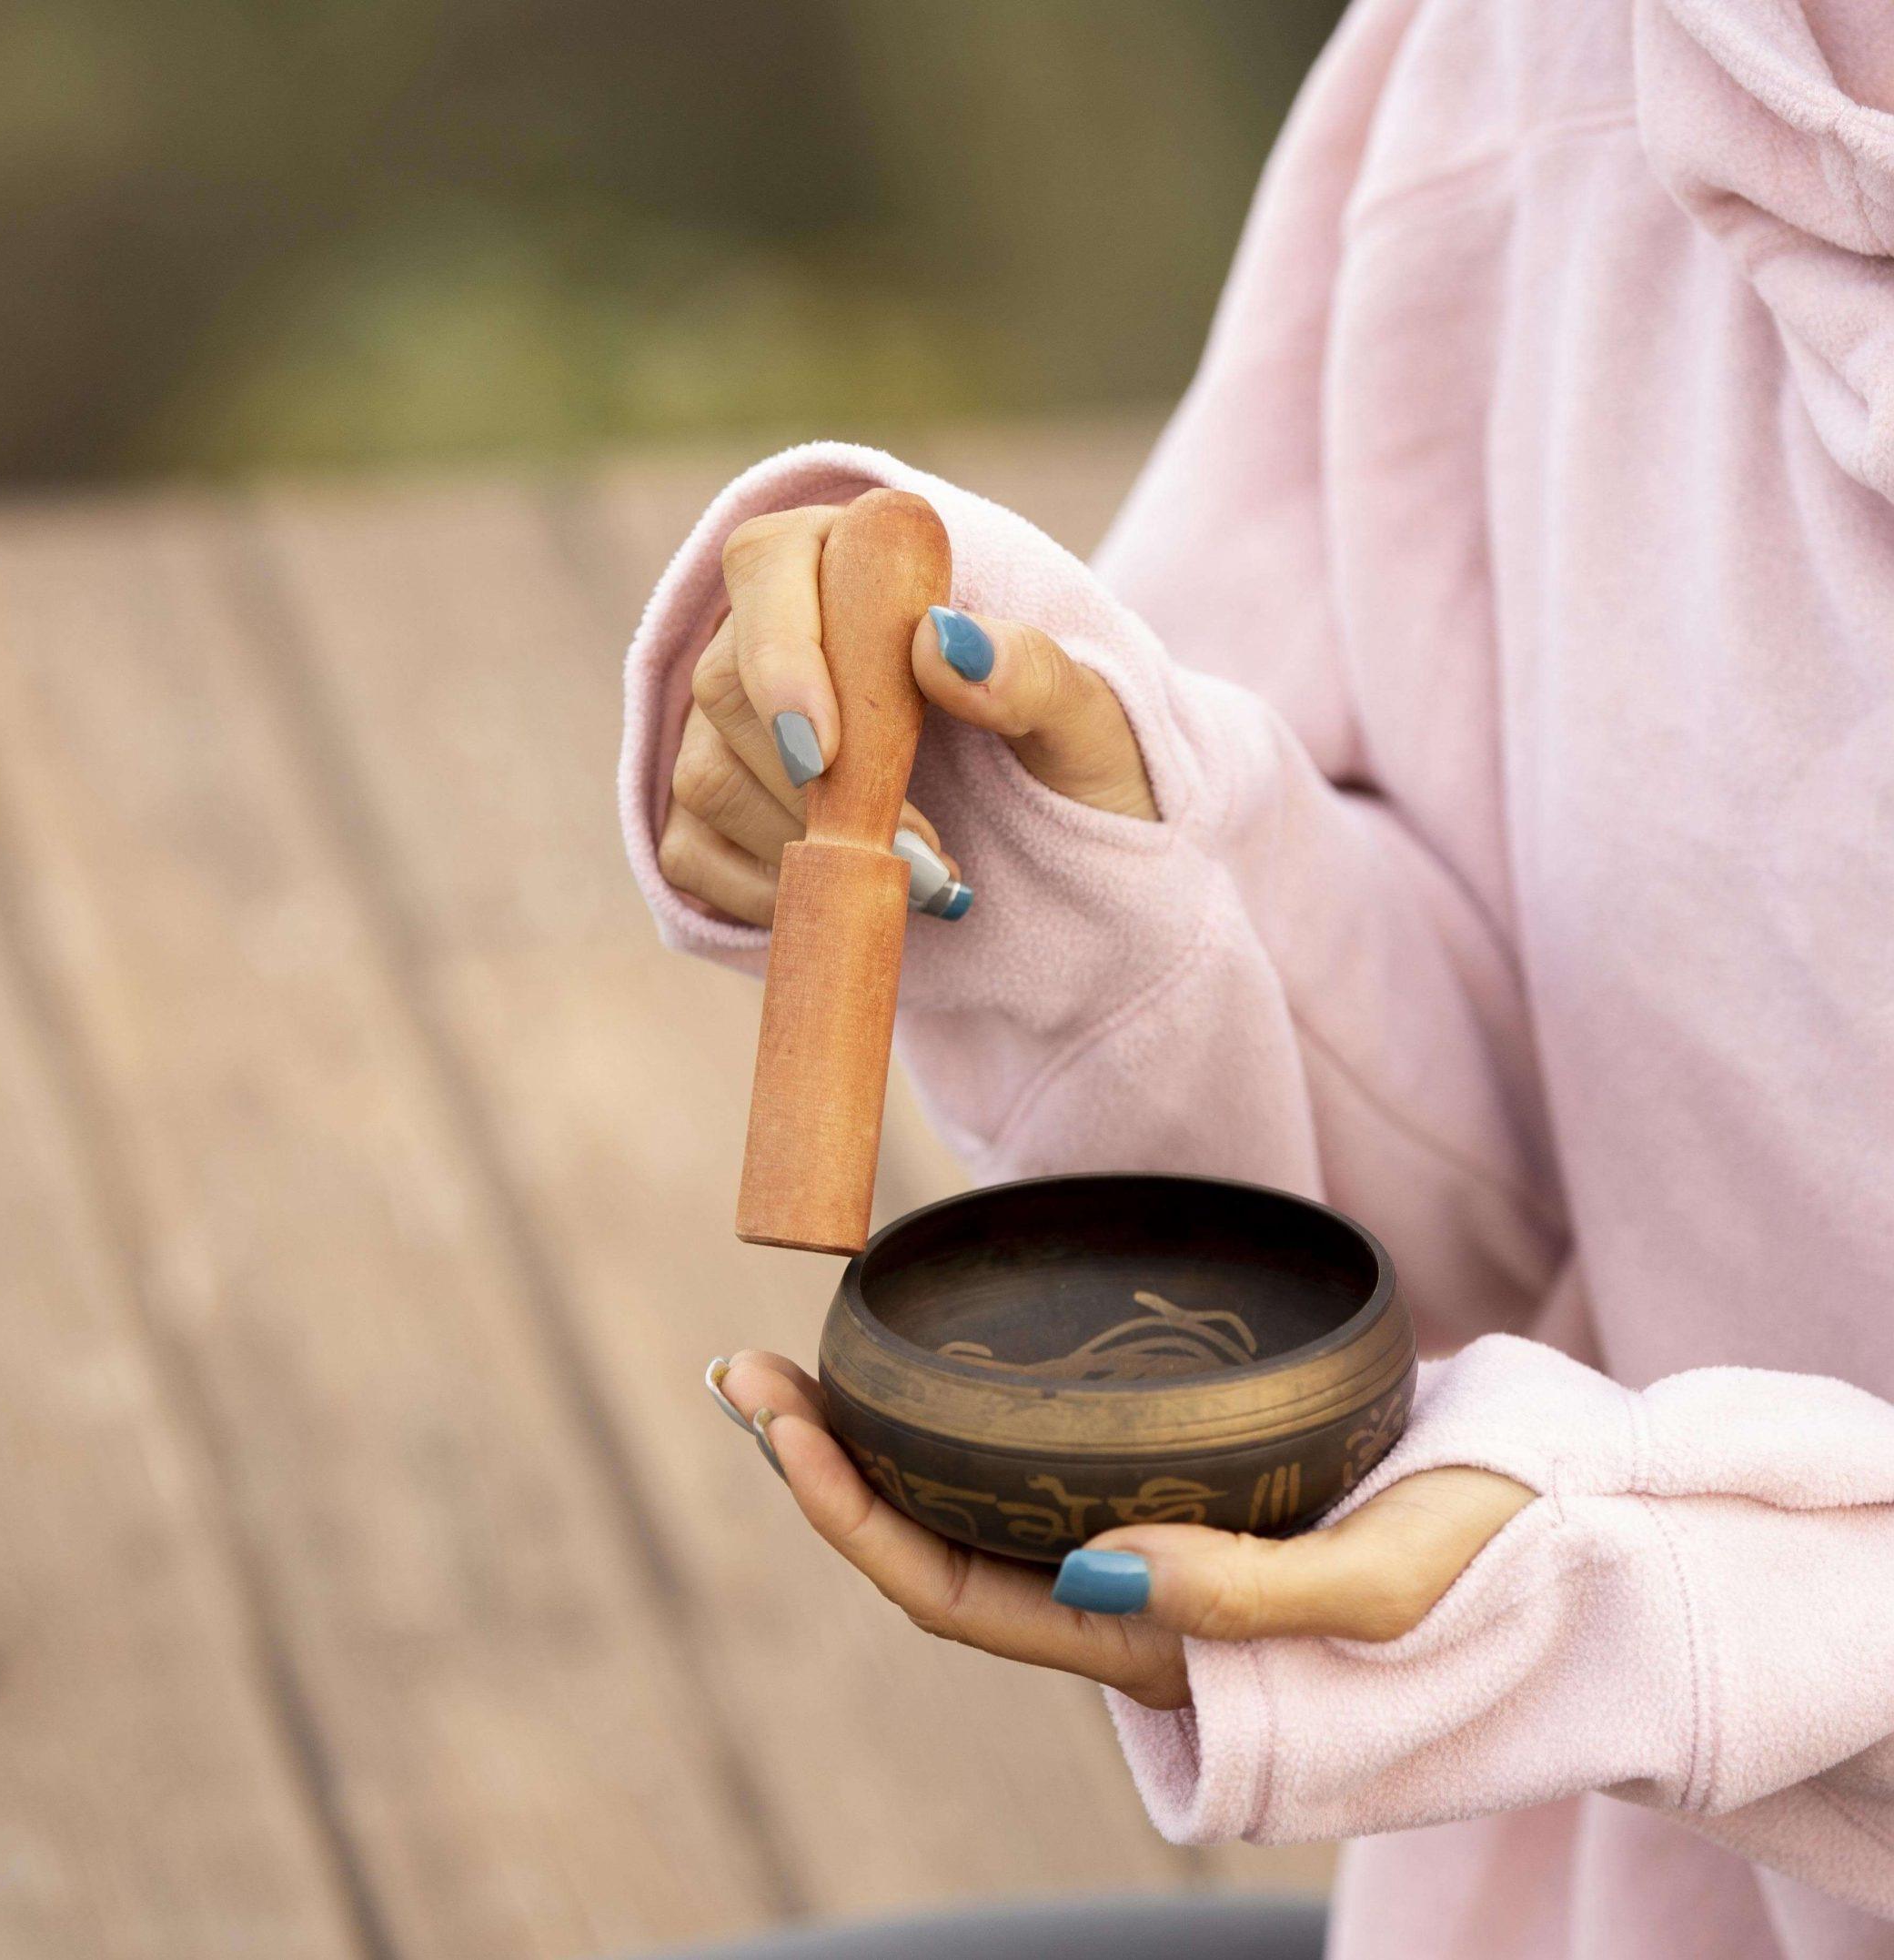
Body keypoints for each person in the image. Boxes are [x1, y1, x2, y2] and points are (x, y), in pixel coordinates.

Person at [615, 0, 1894, 1954]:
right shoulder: (1534, 62)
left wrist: (1665, 1609)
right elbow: (1503, 1172)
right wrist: (1087, 848)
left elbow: (1613, 1569)